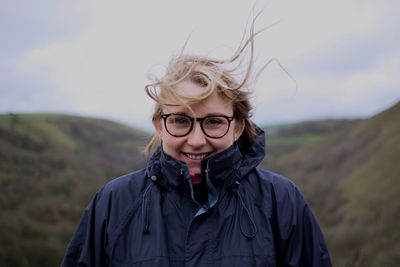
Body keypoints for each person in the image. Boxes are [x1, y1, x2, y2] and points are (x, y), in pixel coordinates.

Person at [61, 23, 332, 267]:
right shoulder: (114, 202)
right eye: (180, 120)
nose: (197, 140)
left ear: (237, 126)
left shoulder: (280, 200)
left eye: (213, 122)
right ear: (158, 124)